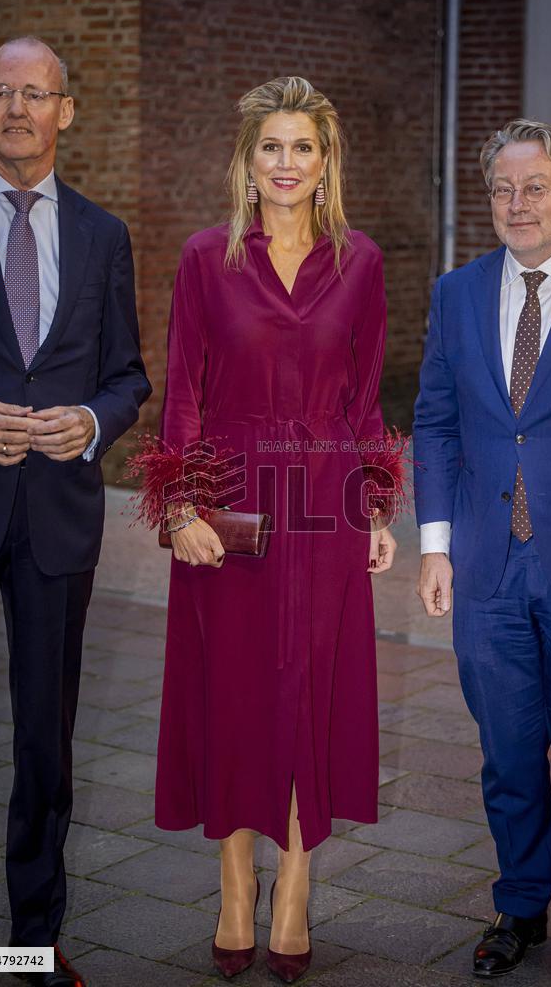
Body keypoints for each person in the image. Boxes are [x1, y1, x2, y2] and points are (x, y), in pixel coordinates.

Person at [138, 77, 405, 982]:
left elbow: (366, 401)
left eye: (304, 148)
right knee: (236, 697)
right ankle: (234, 889)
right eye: (271, 148)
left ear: (327, 164)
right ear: (246, 161)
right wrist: (179, 509)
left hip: (324, 504)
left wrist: (374, 505)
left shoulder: (361, 262)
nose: (286, 164)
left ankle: (291, 888)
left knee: (311, 698)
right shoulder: (205, 257)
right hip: (233, 504)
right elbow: (182, 395)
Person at [0, 37, 150, 986]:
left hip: (58, 522)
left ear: (67, 111)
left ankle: (28, 942)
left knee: (44, 742)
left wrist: (92, 420)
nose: (19, 108)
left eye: (37, 93)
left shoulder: (106, 235)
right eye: (2, 92)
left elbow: (128, 374)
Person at [413, 119, 551, 987]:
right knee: (507, 751)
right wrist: (435, 544)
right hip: (487, 566)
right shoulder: (456, 292)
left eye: (535, 187)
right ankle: (522, 906)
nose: (516, 204)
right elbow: (437, 421)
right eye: (502, 188)